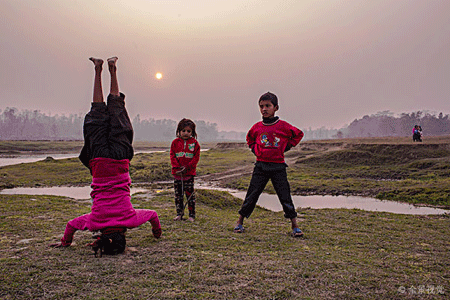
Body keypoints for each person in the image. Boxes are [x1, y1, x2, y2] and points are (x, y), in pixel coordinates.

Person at [50, 57, 161, 256]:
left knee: (117, 110)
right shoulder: (94, 223)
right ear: (101, 239)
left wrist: (157, 233)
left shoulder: (130, 219)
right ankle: (98, 69)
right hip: (99, 161)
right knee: (97, 112)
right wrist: (65, 242)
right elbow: (71, 226)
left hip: (120, 160)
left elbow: (153, 215)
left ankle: (113, 70)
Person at [234, 92, 305, 237]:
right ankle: (239, 222)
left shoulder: (283, 126)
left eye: (268, 106)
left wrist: (286, 147)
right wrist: (255, 149)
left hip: (278, 167)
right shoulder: (257, 127)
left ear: (276, 107)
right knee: (251, 195)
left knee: (285, 196)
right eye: (261, 106)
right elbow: (249, 138)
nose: (264, 109)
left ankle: (295, 226)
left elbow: (298, 134)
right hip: (261, 166)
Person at [170, 118, 200, 222]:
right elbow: (172, 156)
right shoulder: (174, 143)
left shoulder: (195, 144)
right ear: (179, 131)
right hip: (177, 174)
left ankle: (192, 215)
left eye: (188, 131)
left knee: (190, 195)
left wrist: (187, 168)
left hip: (189, 174)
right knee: (178, 196)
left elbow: (196, 158)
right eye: (183, 131)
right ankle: (179, 214)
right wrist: (177, 168)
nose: (186, 133)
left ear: (192, 132)